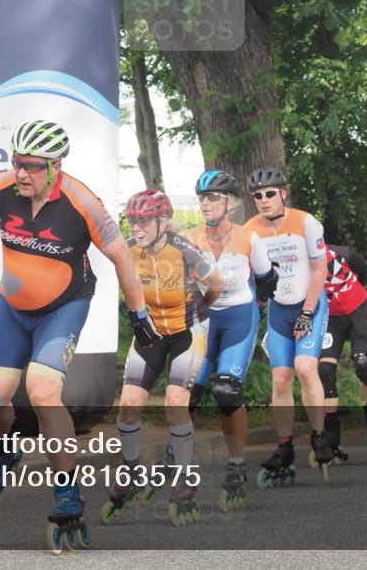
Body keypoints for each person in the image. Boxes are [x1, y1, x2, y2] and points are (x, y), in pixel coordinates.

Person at [0, 119, 148, 551]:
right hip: (12, 306)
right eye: (17, 162)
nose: (21, 173)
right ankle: (5, 450)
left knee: (43, 393)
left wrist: (138, 313)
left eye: (32, 166)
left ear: (56, 165)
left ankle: (67, 491)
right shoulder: (1, 188)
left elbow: (121, 255)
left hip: (64, 306)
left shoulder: (82, 202)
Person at [101, 189, 226, 527]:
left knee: (174, 401)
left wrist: (200, 310)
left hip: (188, 331)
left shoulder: (184, 250)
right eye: (132, 220)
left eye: (144, 221)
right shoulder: (127, 249)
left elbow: (216, 284)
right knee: (129, 404)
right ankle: (130, 471)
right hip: (151, 333)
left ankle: (184, 479)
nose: (137, 227)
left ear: (163, 222)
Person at [185, 170, 279, 511]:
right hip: (204, 321)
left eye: (213, 197)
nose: (205, 203)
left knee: (226, 391)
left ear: (232, 203)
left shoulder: (248, 237)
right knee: (187, 396)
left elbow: (268, 279)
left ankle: (236, 466)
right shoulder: (188, 239)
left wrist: (261, 305)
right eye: (202, 197)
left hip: (239, 317)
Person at [244, 167, 335, 486]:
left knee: (306, 369)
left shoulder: (306, 222)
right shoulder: (250, 229)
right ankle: (284, 447)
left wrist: (307, 313)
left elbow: (320, 269)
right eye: (258, 195)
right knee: (281, 379)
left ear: (283, 193)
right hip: (279, 309)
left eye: (270, 193)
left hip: (309, 303)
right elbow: (250, 273)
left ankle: (320, 436)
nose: (264, 199)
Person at [318, 244, 367, 461]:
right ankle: (330, 435)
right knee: (325, 371)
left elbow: (365, 270)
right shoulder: (298, 265)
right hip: (330, 319)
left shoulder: (341, 254)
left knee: (364, 364)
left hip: (358, 310)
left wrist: (354, 291)